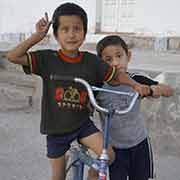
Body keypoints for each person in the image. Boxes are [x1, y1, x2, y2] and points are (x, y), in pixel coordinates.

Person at [6, 3, 151, 180]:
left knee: (109, 156)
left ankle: (91, 174)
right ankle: (69, 158)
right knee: (58, 177)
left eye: (77, 28)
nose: (71, 34)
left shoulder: (91, 62)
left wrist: (135, 85)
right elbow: (12, 56)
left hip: (82, 126)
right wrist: (37, 36)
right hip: (55, 130)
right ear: (56, 33)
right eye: (65, 29)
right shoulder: (47, 59)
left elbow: (116, 76)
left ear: (84, 32)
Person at [96, 35, 173, 180]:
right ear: (101, 64)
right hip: (114, 148)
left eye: (119, 56)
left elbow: (169, 90)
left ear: (128, 56)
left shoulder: (136, 80)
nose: (115, 63)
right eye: (108, 60)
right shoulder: (99, 87)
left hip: (140, 143)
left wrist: (155, 89)